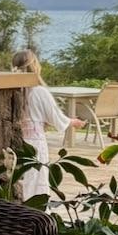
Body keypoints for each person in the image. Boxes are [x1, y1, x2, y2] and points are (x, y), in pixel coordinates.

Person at [12, 49, 72, 200]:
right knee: (37, 180)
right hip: (35, 142)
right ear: (35, 66)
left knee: (20, 180)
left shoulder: (12, 91)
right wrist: (72, 121)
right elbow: (55, 117)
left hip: (16, 142)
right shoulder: (39, 92)